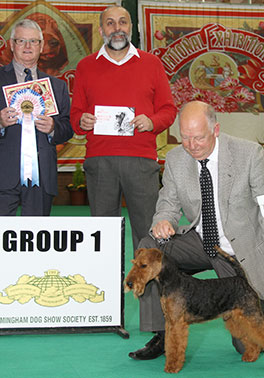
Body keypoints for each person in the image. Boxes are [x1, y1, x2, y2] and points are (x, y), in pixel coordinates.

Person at [129, 100, 264, 360]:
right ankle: (162, 332)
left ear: (216, 130)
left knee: (245, 344)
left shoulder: (250, 156)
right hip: (200, 242)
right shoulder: (175, 159)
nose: (191, 146)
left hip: (240, 254)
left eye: (199, 138)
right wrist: (164, 220)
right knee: (150, 245)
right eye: (185, 138)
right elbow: (168, 203)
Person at [70, 5, 177, 250]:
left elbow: (169, 110)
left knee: (147, 233)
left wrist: (152, 122)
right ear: (101, 29)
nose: (117, 28)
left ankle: (149, 290)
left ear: (132, 28)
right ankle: (107, 288)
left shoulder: (151, 64)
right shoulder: (86, 66)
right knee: (103, 234)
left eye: (122, 22)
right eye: (110, 23)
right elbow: (75, 114)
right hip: (100, 161)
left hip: (141, 161)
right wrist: (82, 121)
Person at [0, 19, 73, 215]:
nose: (27, 46)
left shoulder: (57, 86)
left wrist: (53, 128)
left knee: (35, 241)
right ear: (11, 44)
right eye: (21, 41)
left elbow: (68, 128)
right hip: (2, 176)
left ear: (41, 46)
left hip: (41, 178)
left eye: (33, 41)